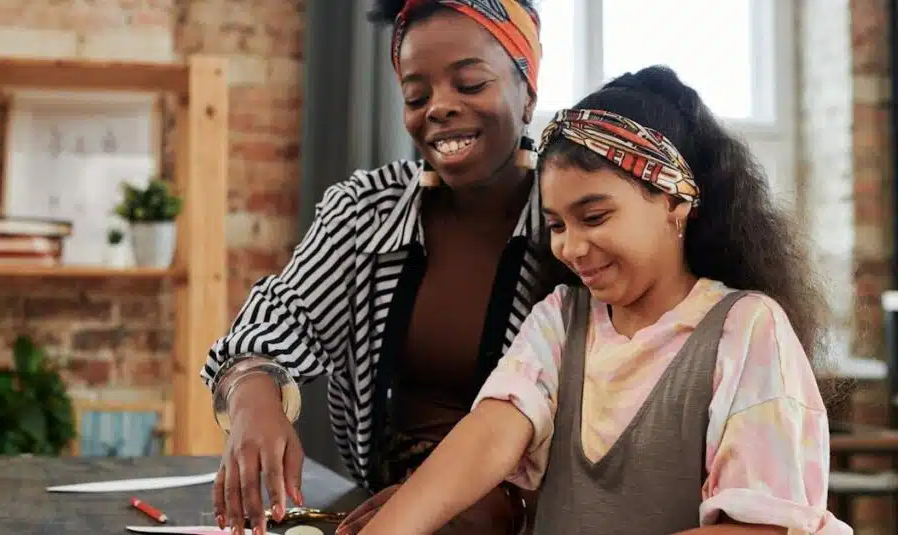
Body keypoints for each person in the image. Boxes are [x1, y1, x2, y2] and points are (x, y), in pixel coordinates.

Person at [349, 65, 853, 535]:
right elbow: (490, 433)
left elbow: (761, 527)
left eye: (594, 218)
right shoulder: (561, 320)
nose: (569, 247)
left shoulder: (746, 329)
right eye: (556, 225)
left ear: (675, 201)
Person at [201, 1, 559, 534]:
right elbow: (275, 321)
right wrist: (253, 393)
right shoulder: (365, 209)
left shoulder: (570, 221)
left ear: (528, 92)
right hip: (377, 515)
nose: (439, 107)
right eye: (417, 95)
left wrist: (460, 501)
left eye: (470, 83)